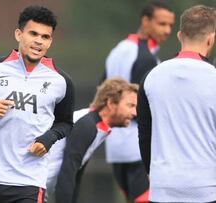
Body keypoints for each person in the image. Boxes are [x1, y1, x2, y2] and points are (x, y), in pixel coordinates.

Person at [0, 5, 75, 203]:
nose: (38, 41)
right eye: (33, 33)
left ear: (50, 41)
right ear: (18, 34)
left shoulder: (61, 81)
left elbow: (65, 123)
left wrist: (48, 139)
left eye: (45, 37)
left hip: (30, 181)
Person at [137, 5, 216, 203]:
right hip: (207, 189)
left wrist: (154, 175)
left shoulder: (151, 77)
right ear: (211, 38)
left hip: (162, 188)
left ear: (180, 36)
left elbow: (144, 135)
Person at [101, 1, 174, 202]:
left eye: (170, 25)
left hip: (115, 146)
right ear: (145, 21)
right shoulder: (147, 58)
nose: (167, 30)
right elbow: (145, 106)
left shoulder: (118, 49)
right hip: (137, 148)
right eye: (161, 24)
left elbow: (102, 93)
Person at [48, 78, 139, 203]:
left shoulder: (95, 125)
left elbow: (75, 175)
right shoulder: (87, 125)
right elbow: (67, 171)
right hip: (25, 187)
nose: (134, 112)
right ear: (111, 103)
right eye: (130, 105)